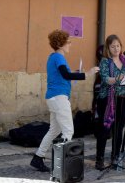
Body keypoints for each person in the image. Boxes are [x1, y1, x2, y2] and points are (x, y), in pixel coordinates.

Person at [30, 29, 99, 172]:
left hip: (54, 97)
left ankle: (38, 157)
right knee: (68, 131)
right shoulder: (59, 58)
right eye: (68, 42)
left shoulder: (53, 57)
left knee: (53, 130)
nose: (70, 45)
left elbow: (63, 74)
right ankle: (62, 165)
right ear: (61, 44)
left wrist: (76, 73)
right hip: (59, 98)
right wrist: (88, 74)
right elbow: (66, 74)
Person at [95, 34, 125, 170]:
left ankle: (115, 157)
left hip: (124, 98)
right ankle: (99, 159)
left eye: (118, 46)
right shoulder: (105, 62)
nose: (116, 49)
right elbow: (106, 79)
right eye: (113, 46)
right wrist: (120, 77)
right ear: (108, 48)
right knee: (105, 130)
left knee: (119, 130)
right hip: (107, 100)